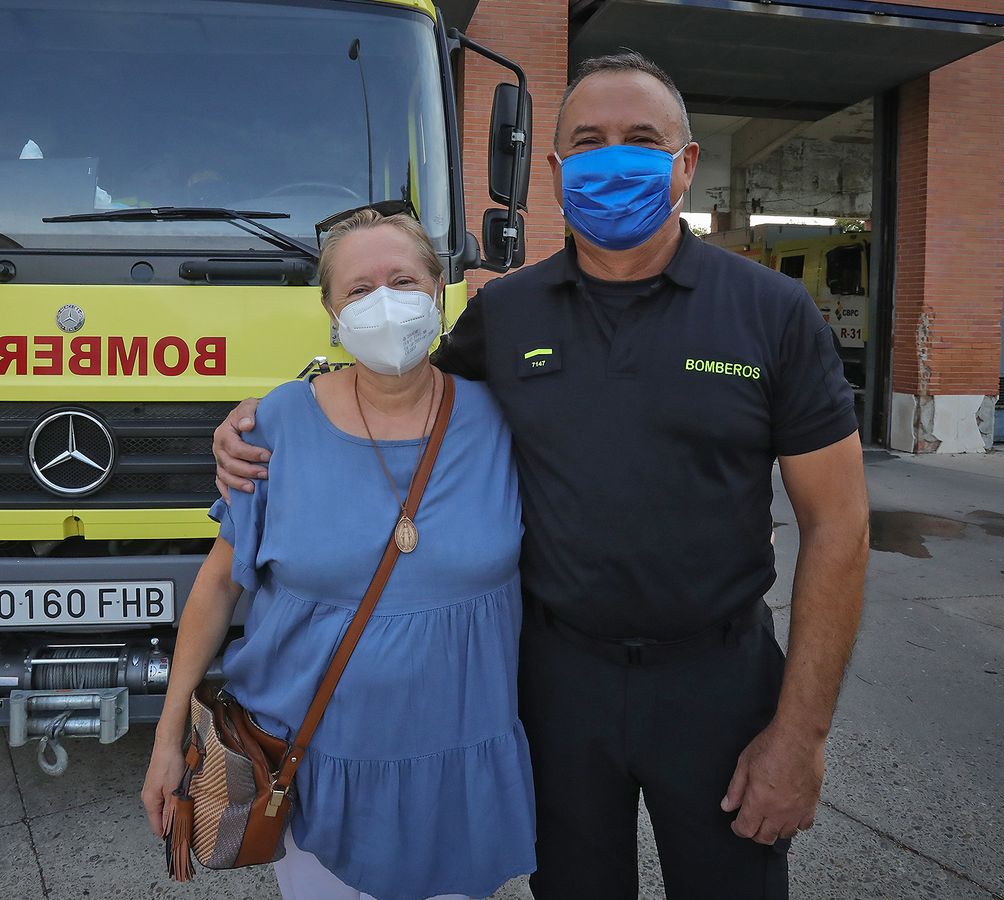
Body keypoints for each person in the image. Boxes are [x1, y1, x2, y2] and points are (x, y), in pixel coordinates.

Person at [215, 52, 870, 899]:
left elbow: (838, 526)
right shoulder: (507, 312)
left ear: (686, 164)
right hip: (556, 686)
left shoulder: (771, 313)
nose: (614, 158)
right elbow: (397, 389)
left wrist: (801, 736)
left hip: (719, 683)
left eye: (642, 139)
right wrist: (272, 415)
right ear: (555, 174)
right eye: (588, 142)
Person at [141, 209, 535, 900]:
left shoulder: (505, 420)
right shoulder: (275, 425)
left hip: (457, 770)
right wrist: (167, 738)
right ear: (331, 313)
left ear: (439, 290)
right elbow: (217, 587)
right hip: (309, 767)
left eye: (403, 280)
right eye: (358, 289)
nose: (385, 302)